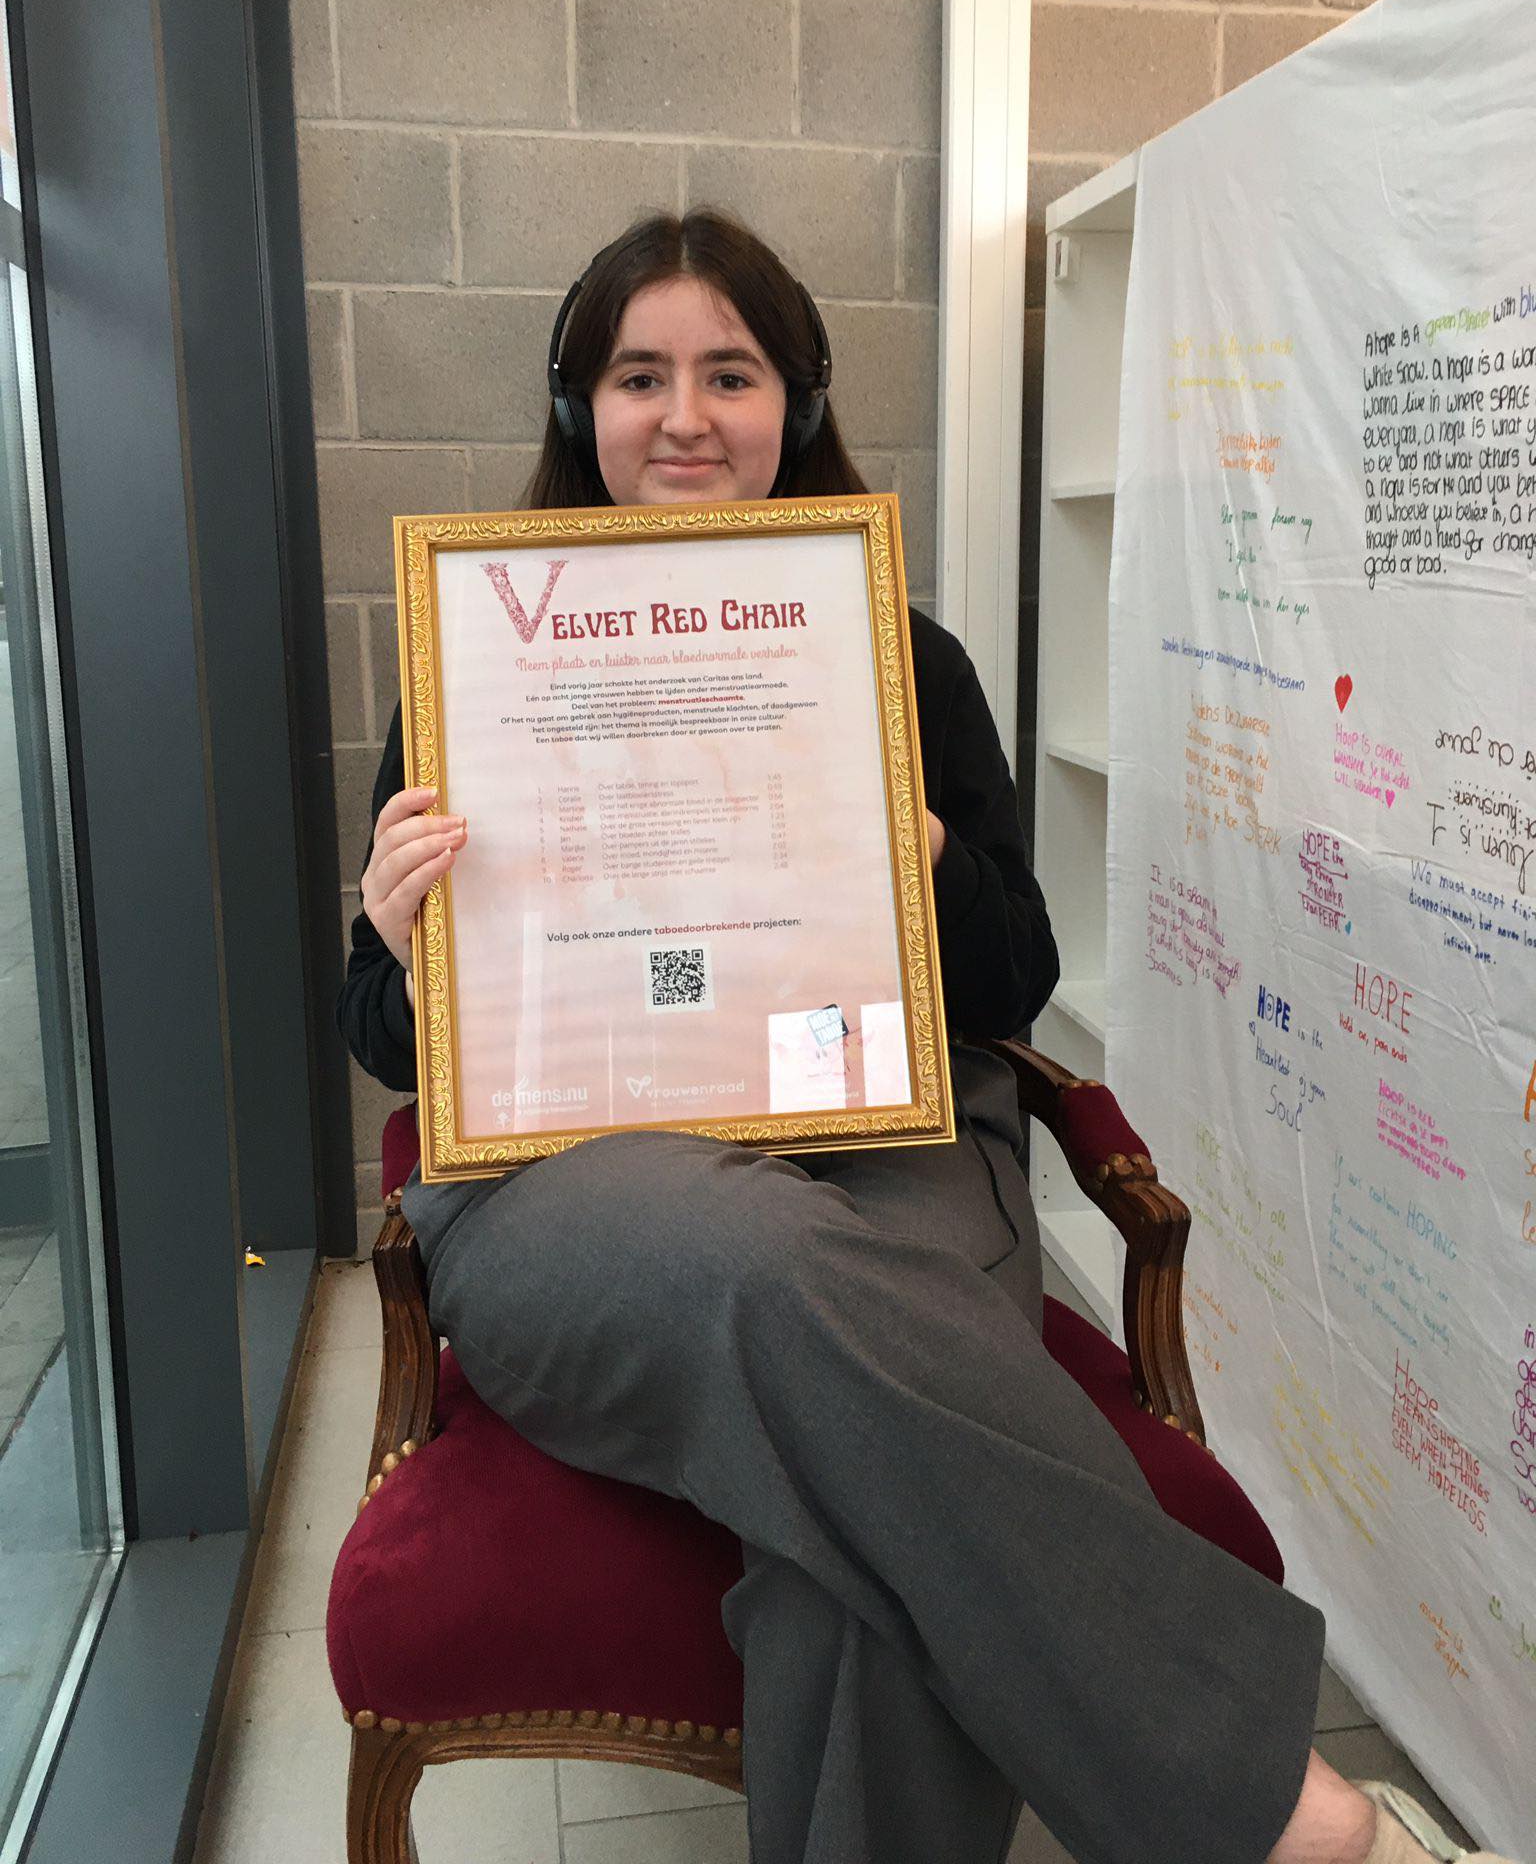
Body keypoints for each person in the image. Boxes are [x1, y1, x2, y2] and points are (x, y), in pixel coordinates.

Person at [338, 211, 1513, 1864]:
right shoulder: (474, 654)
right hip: (578, 1180)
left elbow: (1018, 978)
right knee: (766, 1267)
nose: (685, 416)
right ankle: (1300, 1822)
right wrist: (404, 945)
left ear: (799, 403)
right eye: (640, 375)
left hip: (885, 1138)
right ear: (578, 408)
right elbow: (387, 1042)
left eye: (731, 373)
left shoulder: (909, 663)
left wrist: (925, 845)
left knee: (860, 1559)